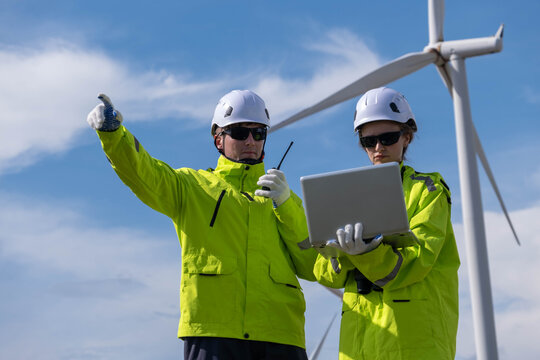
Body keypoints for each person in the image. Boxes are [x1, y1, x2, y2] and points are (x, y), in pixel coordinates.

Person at [86, 90, 318, 360]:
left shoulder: (286, 200)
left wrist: (286, 205)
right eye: (240, 133)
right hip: (213, 332)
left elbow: (312, 266)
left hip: (280, 335)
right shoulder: (191, 188)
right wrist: (114, 135)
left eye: (259, 133)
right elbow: (143, 172)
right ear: (218, 138)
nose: (251, 141)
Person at [314, 87, 460, 359]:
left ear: (407, 137)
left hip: (414, 344)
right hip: (359, 345)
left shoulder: (429, 191)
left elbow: (418, 261)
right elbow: (324, 273)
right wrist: (343, 252)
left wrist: (367, 254)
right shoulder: (344, 197)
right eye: (369, 141)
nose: (378, 148)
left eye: (388, 138)